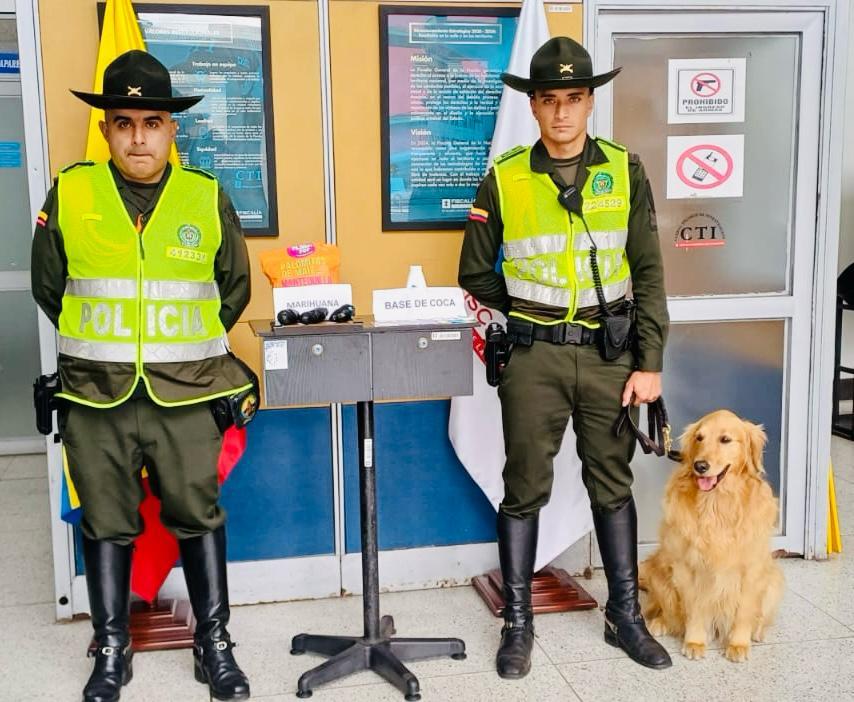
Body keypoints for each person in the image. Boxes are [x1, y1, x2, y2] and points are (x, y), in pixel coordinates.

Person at [31, 50, 253, 702]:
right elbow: (52, 288)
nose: (137, 136)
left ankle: (214, 647)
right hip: (93, 393)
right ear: (105, 129)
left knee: (197, 514)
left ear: (171, 129)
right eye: (123, 122)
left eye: (151, 122)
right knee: (105, 519)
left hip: (186, 392)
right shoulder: (71, 192)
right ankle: (112, 649)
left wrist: (178, 346)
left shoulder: (205, 196)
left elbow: (231, 290)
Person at [458, 36, 671, 678]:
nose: (561, 114)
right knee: (523, 488)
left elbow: (650, 272)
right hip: (535, 359)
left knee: (613, 482)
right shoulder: (505, 177)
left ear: (589, 101)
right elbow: (474, 271)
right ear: (533, 107)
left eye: (573, 99)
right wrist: (527, 309)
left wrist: (650, 360)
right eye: (549, 100)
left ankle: (624, 617)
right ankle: (518, 624)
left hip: (611, 359)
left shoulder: (623, 170)